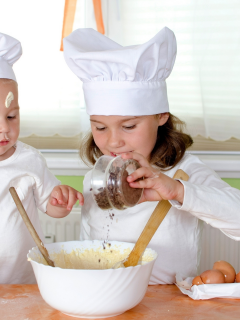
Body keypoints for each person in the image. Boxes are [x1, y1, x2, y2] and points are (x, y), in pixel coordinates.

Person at [63, 27, 240, 284]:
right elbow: (89, 246)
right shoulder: (96, 178)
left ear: (160, 115)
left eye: (129, 126)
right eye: (100, 127)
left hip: (165, 303)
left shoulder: (185, 171)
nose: (113, 141)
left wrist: (177, 191)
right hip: (106, 297)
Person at [0, 32, 83, 284]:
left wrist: (61, 200)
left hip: (21, 280)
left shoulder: (29, 160)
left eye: (11, 116)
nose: (4, 128)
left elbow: (51, 206)